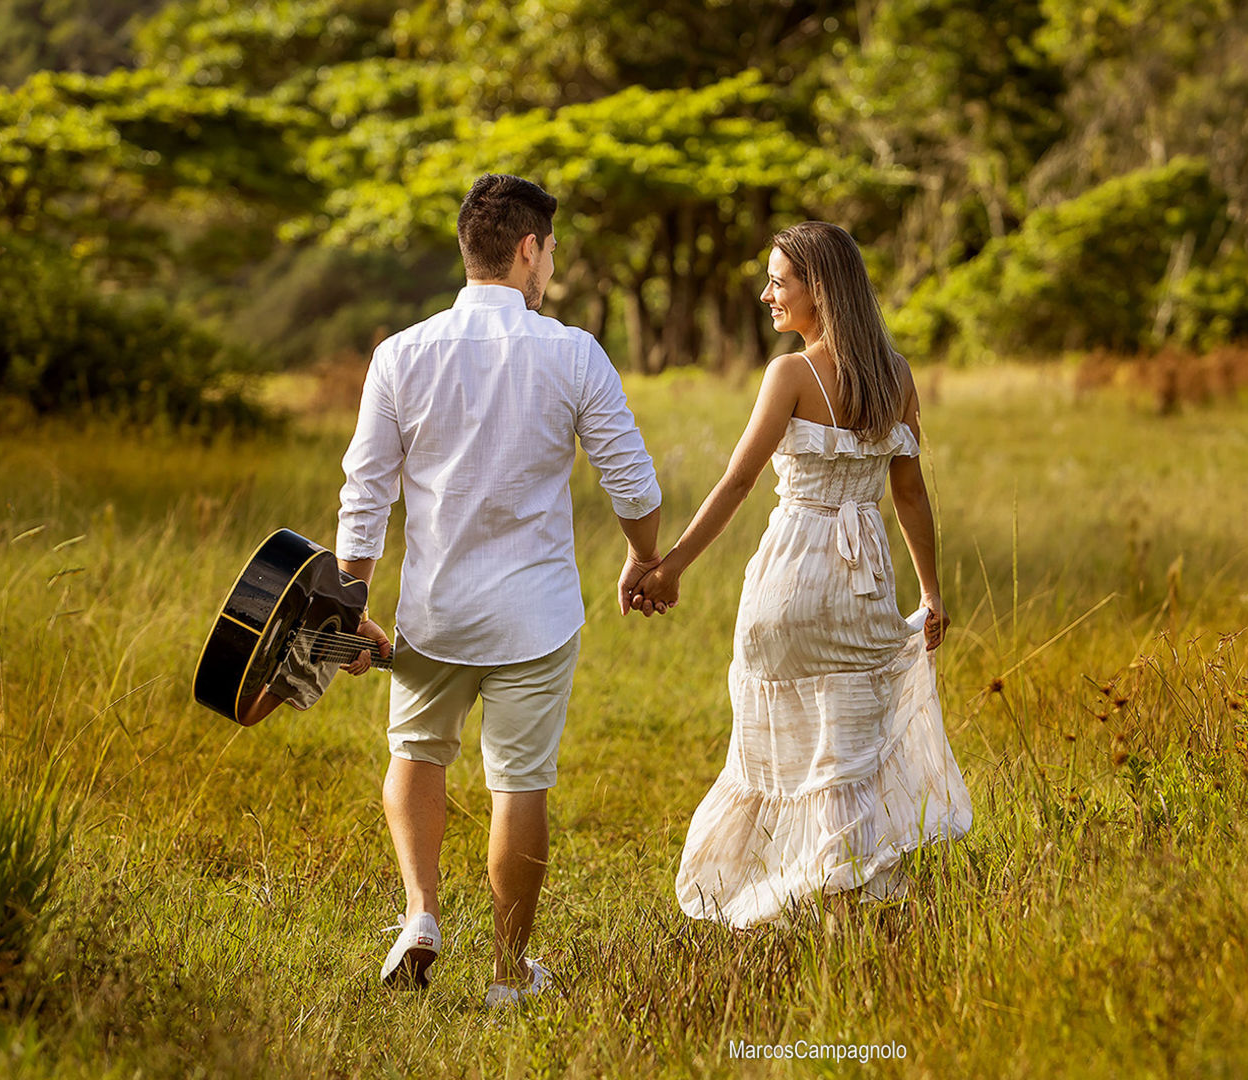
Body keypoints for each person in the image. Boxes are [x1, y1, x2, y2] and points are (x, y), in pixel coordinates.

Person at [335, 173, 663, 1006]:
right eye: (549, 250)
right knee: (520, 783)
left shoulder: (401, 353)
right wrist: (641, 557)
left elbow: (366, 492)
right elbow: (633, 484)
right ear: (528, 251)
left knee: (415, 754)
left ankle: (419, 915)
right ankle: (509, 975)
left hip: (432, 614)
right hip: (536, 616)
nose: (549, 265)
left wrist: (347, 605)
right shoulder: (571, 351)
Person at [630, 220, 971, 927]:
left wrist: (671, 568)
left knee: (784, 751)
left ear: (819, 291)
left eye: (778, 281)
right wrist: (931, 591)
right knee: (850, 750)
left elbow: (737, 482)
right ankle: (846, 900)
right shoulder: (897, 375)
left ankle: (788, 893)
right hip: (863, 582)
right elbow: (909, 494)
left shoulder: (790, 374)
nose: (766, 295)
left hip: (790, 579)